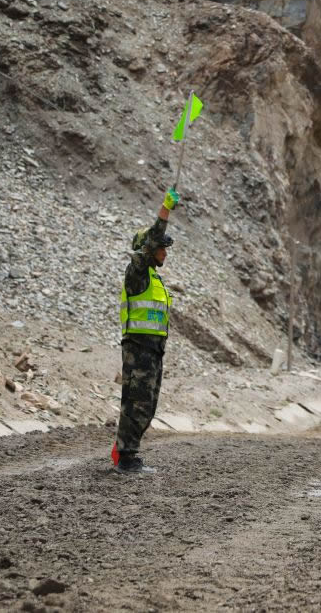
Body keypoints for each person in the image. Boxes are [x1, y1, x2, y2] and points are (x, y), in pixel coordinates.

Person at [112, 187, 180, 474]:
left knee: (146, 405)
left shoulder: (153, 278)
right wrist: (165, 210)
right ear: (148, 249)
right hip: (138, 349)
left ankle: (126, 452)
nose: (164, 252)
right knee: (136, 404)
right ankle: (126, 458)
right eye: (160, 247)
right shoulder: (137, 272)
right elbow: (152, 238)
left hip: (152, 351)